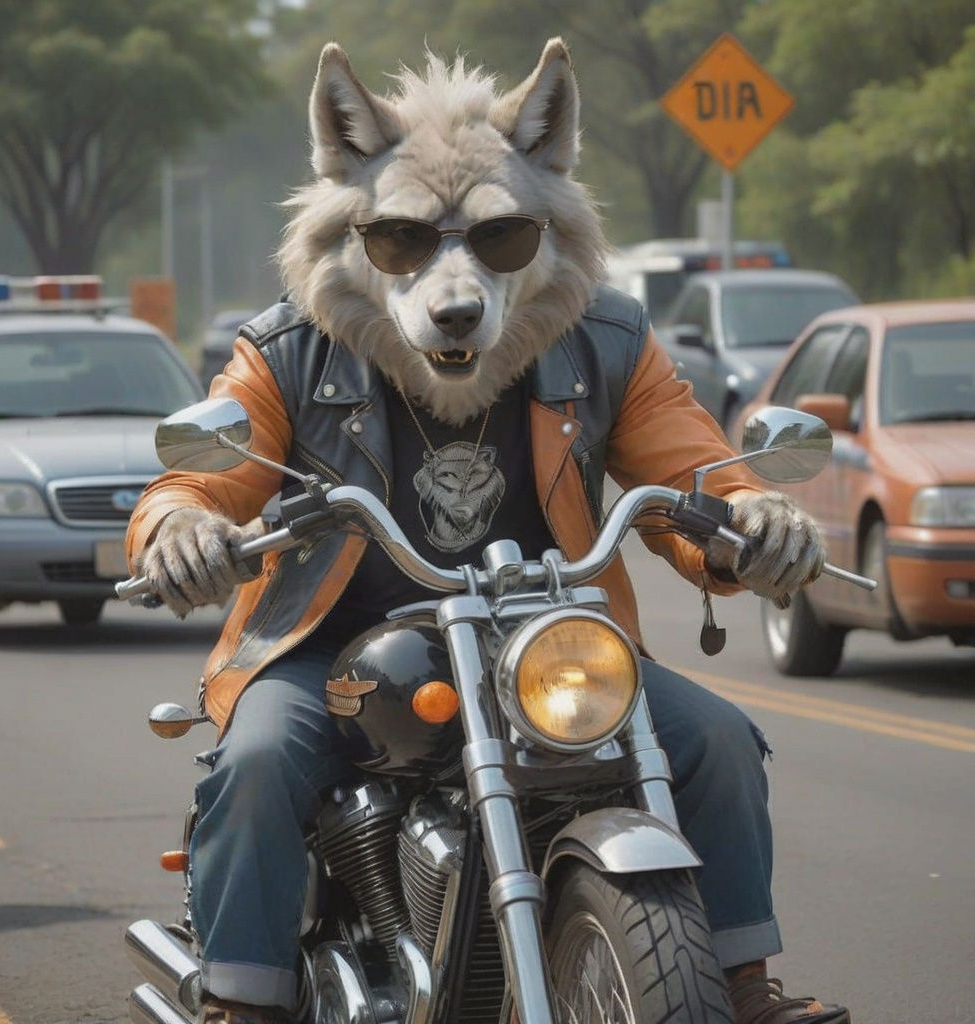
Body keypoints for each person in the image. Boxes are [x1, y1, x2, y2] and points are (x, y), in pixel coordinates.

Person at [126, 39, 850, 1024]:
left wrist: (749, 519)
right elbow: (197, 478)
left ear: (549, 233)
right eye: (404, 240)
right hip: (332, 647)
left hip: (541, 642)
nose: (456, 282)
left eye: (500, 238)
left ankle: (736, 987)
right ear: (350, 236)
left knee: (717, 739)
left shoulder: (608, 345)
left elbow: (695, 472)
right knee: (256, 761)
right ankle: (243, 1000)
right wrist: (178, 524)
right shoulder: (289, 352)